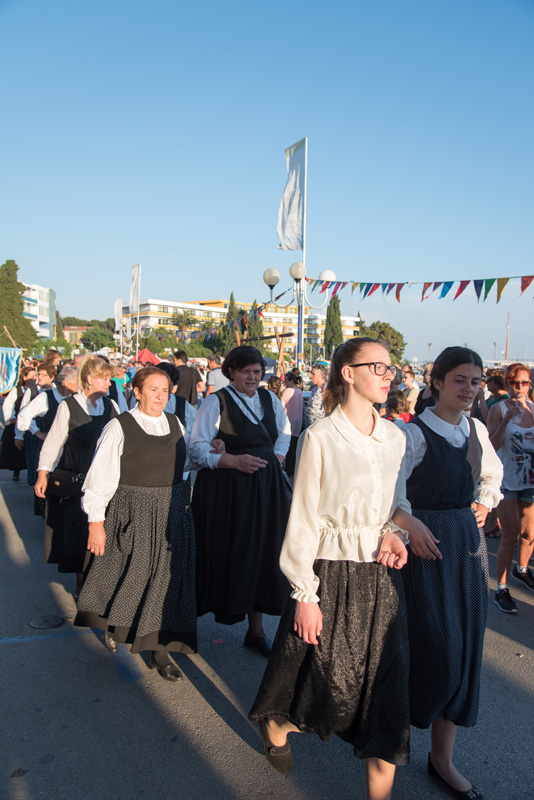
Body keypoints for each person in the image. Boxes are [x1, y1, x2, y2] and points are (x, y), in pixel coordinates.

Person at [250, 338, 426, 799]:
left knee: (388, 696)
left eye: (392, 369)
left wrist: (395, 531)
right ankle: (280, 724)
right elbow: (305, 516)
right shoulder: (321, 437)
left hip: (382, 578)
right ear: (348, 373)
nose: (389, 376)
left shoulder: (395, 437)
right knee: (328, 687)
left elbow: (396, 504)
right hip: (331, 574)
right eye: (378, 368)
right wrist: (305, 595)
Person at [403, 346, 503, 799]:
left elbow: (491, 476)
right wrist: (406, 524)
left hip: (466, 540)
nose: (469, 388)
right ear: (437, 382)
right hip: (425, 544)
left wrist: (484, 501)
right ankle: (390, 731)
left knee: (462, 655)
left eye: (476, 380)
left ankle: (441, 760)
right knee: (435, 650)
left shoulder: (477, 429)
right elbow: (389, 492)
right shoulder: (412, 434)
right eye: (460, 379)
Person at [74, 368, 198, 681]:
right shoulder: (119, 427)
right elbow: (99, 478)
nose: (160, 396)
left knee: (165, 580)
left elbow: (185, 464)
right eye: (153, 389)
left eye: (165, 390)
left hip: (170, 510)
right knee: (130, 573)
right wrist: (95, 522)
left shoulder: (175, 423)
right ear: (137, 391)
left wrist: (212, 454)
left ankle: (159, 650)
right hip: (132, 509)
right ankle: (115, 624)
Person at [189, 346, 291, 657]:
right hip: (227, 489)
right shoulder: (215, 401)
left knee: (262, 552)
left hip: (265, 486)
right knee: (223, 550)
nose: (253, 376)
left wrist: (276, 457)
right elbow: (197, 448)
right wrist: (231, 461)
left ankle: (256, 631)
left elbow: (285, 431)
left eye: (257, 371)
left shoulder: (269, 399)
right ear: (231, 372)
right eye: (246, 370)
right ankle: (185, 626)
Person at [34, 356, 119, 598]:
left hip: (104, 477)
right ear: (89, 379)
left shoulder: (112, 406)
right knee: (78, 533)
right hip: (77, 477)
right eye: (104, 378)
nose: (109, 382)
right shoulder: (68, 406)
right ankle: (81, 581)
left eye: (109, 378)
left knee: (102, 529)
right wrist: (43, 474)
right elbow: (54, 444)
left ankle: (99, 579)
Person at [487, 362, 534, 613]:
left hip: (530, 480)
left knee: (529, 534)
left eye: (524, 382)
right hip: (507, 481)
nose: (519, 388)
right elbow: (491, 446)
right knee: (511, 534)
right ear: (508, 385)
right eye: (515, 383)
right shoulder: (499, 409)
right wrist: (505, 422)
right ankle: (502, 588)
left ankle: (522, 569)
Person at [15, 366, 79, 514]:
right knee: (49, 482)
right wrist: (37, 432)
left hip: (70, 449)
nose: (79, 385)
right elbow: (24, 415)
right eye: (76, 381)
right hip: (49, 447)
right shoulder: (46, 397)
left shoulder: (76, 398)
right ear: (65, 382)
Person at [0, 366, 37, 479]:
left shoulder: (37, 390)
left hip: (32, 423)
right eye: (31, 376)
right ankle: (17, 470)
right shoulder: (17, 390)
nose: (34, 378)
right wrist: (11, 417)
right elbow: (8, 404)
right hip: (17, 423)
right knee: (17, 451)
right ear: (24, 377)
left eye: (35, 376)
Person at [281, 370, 303, 477]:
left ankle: (290, 469)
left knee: (289, 448)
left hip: (288, 421)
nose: (284, 383)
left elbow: (281, 405)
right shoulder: (299, 391)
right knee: (294, 447)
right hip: (298, 422)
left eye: (285, 380)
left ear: (290, 380)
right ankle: (295, 468)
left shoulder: (288, 391)